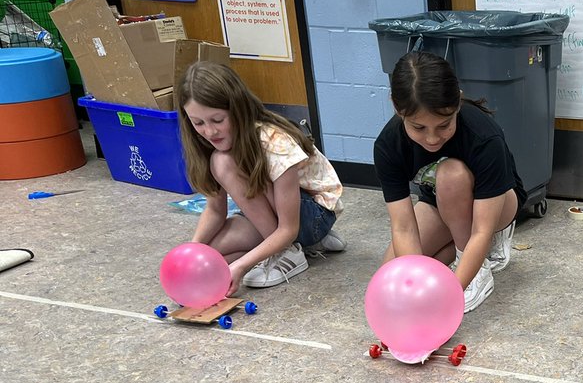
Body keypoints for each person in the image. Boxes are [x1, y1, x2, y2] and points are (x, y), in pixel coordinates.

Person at [373, 51, 526, 313]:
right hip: (438, 202)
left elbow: (480, 231)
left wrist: (451, 297)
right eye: (418, 128)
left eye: (444, 125)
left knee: (451, 174)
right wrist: (413, 289)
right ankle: (463, 254)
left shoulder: (484, 136)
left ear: (457, 103)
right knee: (392, 273)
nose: (432, 139)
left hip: (495, 203)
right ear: (397, 109)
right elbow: (403, 228)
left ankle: (478, 269)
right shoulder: (388, 145)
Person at [178, 61, 345, 294]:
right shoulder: (207, 143)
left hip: (311, 217)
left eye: (218, 120)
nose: (210, 131)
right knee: (212, 256)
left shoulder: (274, 141)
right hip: (270, 215)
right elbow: (216, 211)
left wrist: (242, 266)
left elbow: (287, 228)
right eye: (198, 123)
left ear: (238, 110)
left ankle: (289, 253)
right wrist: (190, 252)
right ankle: (296, 247)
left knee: (222, 161)